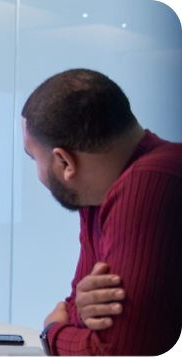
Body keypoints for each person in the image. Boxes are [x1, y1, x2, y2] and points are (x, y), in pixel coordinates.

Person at [22, 69, 182, 357]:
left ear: (64, 162)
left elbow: (114, 351)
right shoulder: (98, 196)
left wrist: (52, 334)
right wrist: (80, 316)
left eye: (33, 157)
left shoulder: (146, 185)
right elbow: (74, 305)